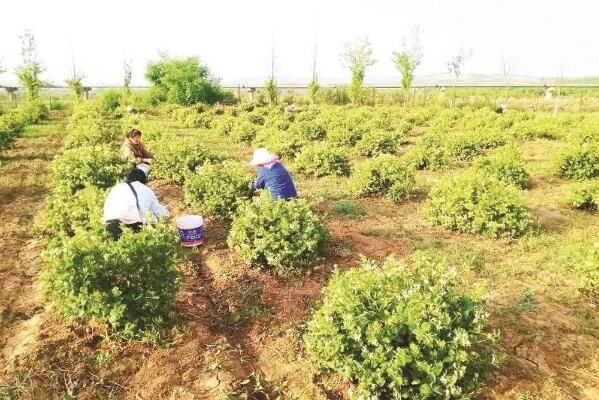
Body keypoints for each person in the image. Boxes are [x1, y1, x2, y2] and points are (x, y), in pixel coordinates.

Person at [103, 166, 169, 240]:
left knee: (117, 246)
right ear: (144, 180)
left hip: (113, 223)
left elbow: (107, 206)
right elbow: (161, 214)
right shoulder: (146, 189)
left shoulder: (117, 187)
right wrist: (166, 212)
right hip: (136, 224)